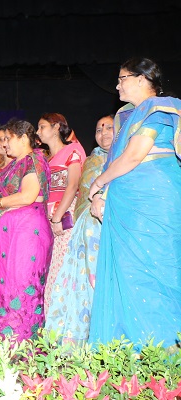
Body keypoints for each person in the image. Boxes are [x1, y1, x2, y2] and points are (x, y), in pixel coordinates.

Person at [88, 58, 181, 350]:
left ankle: (164, 353)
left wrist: (98, 182)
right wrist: (104, 194)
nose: (117, 85)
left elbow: (133, 156)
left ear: (142, 79)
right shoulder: (126, 116)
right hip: (125, 200)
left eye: (122, 78)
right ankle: (131, 352)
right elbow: (117, 158)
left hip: (152, 199)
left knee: (155, 271)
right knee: (128, 274)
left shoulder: (159, 108)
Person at [0, 120, 53, 350]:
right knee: (4, 291)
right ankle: (2, 346)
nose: (5, 144)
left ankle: (21, 350)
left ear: (23, 138)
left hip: (27, 233)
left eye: (9, 139)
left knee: (21, 290)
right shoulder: (15, 164)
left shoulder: (34, 160)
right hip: (8, 235)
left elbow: (28, 196)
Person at [44, 115, 114, 344]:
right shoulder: (92, 160)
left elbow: (72, 186)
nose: (103, 133)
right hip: (85, 231)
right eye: (98, 130)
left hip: (114, 228)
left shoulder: (126, 157)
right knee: (79, 283)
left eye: (109, 128)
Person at [36, 113, 86, 314]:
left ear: (56, 127)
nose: (38, 132)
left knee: (64, 272)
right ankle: (52, 324)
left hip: (65, 218)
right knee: (50, 274)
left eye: (42, 126)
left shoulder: (72, 149)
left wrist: (58, 217)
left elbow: (73, 185)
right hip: (48, 222)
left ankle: (67, 323)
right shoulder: (46, 159)